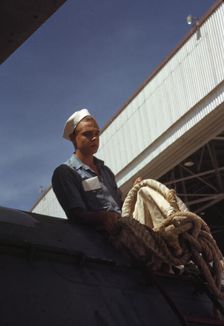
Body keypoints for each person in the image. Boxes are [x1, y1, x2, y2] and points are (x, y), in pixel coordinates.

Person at [52, 108, 123, 233]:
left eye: (97, 133)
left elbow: (120, 206)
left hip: (123, 233)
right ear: (73, 138)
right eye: (87, 134)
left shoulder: (106, 171)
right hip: (97, 243)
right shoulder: (65, 173)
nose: (95, 138)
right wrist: (103, 217)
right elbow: (76, 215)